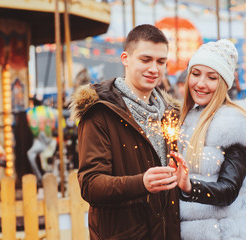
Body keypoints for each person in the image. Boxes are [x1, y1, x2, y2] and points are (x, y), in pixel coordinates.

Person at [70, 24, 181, 240]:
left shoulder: (170, 114)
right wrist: (141, 183)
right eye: (145, 59)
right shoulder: (101, 112)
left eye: (161, 62)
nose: (154, 69)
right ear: (125, 59)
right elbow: (91, 184)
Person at [169, 39, 246, 240]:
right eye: (195, 74)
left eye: (212, 77)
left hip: (227, 234)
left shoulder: (234, 123)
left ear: (223, 82)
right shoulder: (185, 119)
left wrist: (190, 186)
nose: (200, 84)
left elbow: (229, 190)